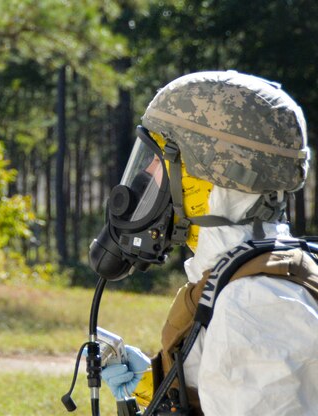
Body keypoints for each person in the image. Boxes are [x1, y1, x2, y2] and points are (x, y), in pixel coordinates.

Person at [90, 71, 318, 415]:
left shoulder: (255, 305)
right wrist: (157, 388)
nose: (147, 174)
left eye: (158, 158)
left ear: (205, 175)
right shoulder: (247, 275)